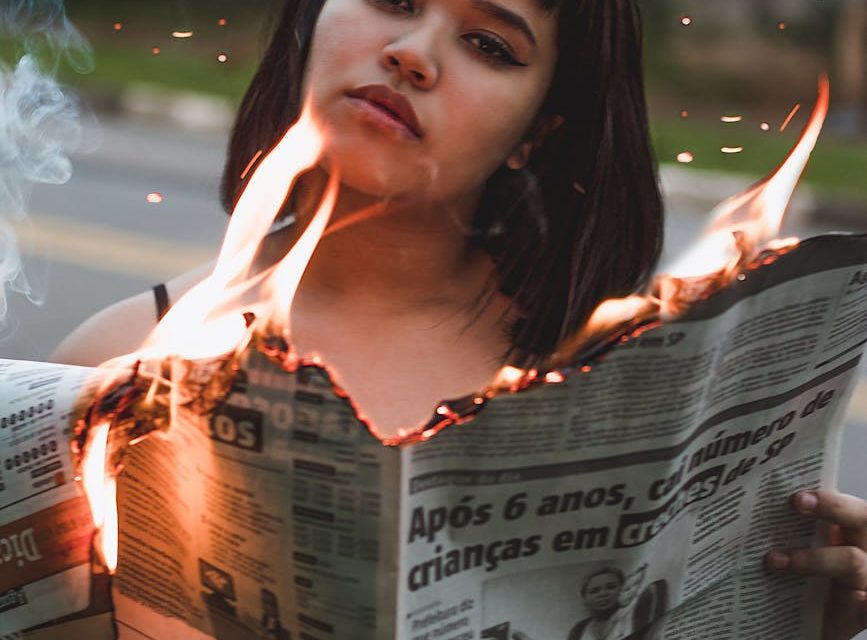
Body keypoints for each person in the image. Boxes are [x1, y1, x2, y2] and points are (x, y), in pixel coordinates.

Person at [51, 0, 867, 637]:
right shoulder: (119, 360)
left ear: (537, 130)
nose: (412, 53)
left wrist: (806, 620)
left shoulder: (618, 376)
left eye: (488, 44)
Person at [568, 567, 624, 640]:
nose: (603, 594)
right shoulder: (578, 630)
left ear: (623, 588)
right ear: (585, 598)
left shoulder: (632, 619)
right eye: (594, 591)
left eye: (611, 587)